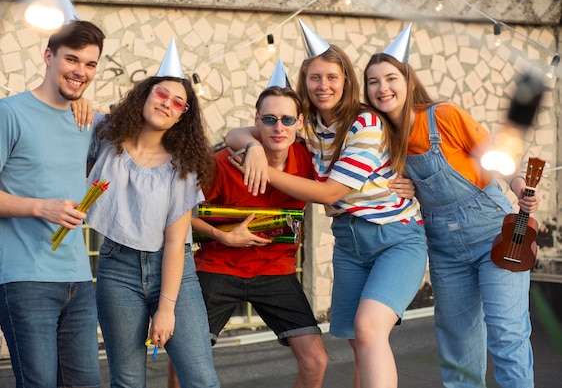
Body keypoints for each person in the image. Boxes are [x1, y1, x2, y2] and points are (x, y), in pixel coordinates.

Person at [225, 20, 428, 388]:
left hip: (395, 238)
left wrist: (264, 172)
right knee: (359, 341)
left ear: (346, 81)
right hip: (348, 242)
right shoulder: (307, 124)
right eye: (315, 78)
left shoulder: (364, 121)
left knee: (369, 330)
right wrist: (253, 147)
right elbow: (234, 134)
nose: (323, 86)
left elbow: (330, 194)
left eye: (332, 77)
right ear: (304, 83)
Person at [363, 23, 540, 388]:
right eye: (373, 82)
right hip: (443, 249)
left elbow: (494, 158)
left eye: (391, 78)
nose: (383, 88)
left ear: (408, 82)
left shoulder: (443, 115)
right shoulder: (378, 137)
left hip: (496, 236)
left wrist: (522, 186)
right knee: (457, 346)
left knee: (506, 336)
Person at [0, 20, 105, 388]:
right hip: (25, 278)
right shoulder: (8, 113)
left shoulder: (86, 120)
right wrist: (42, 208)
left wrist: (250, 142)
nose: (81, 72)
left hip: (76, 278)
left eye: (90, 64)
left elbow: (152, 125)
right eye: (72, 59)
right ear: (48, 56)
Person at [169, 62, 328, 388]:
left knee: (316, 361)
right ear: (256, 122)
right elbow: (180, 218)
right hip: (217, 266)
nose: (278, 127)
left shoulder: (309, 160)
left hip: (276, 271)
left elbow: (343, 190)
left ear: (299, 122)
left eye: (286, 119)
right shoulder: (225, 162)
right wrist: (222, 235)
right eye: (269, 119)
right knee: (182, 358)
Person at [85, 39, 219, 388]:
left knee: (201, 380)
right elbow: (60, 120)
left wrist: (166, 308)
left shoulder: (183, 166)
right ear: (145, 93)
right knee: (127, 381)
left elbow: (176, 242)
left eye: (179, 103)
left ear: (181, 117)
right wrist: (80, 103)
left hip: (173, 272)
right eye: (162, 94)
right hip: (117, 268)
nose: (168, 104)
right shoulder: (105, 135)